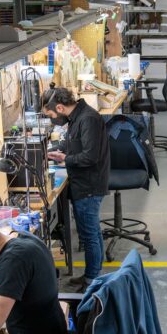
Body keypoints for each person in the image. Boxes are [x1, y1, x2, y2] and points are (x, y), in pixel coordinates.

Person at [41, 87, 110, 293]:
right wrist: (59, 151)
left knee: (89, 235)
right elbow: (78, 145)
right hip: (84, 182)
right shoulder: (77, 118)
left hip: (89, 185)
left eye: (52, 115)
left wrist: (66, 159)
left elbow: (90, 157)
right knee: (92, 233)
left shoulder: (88, 119)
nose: (54, 119)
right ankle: (92, 274)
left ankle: (91, 282)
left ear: (60, 107)